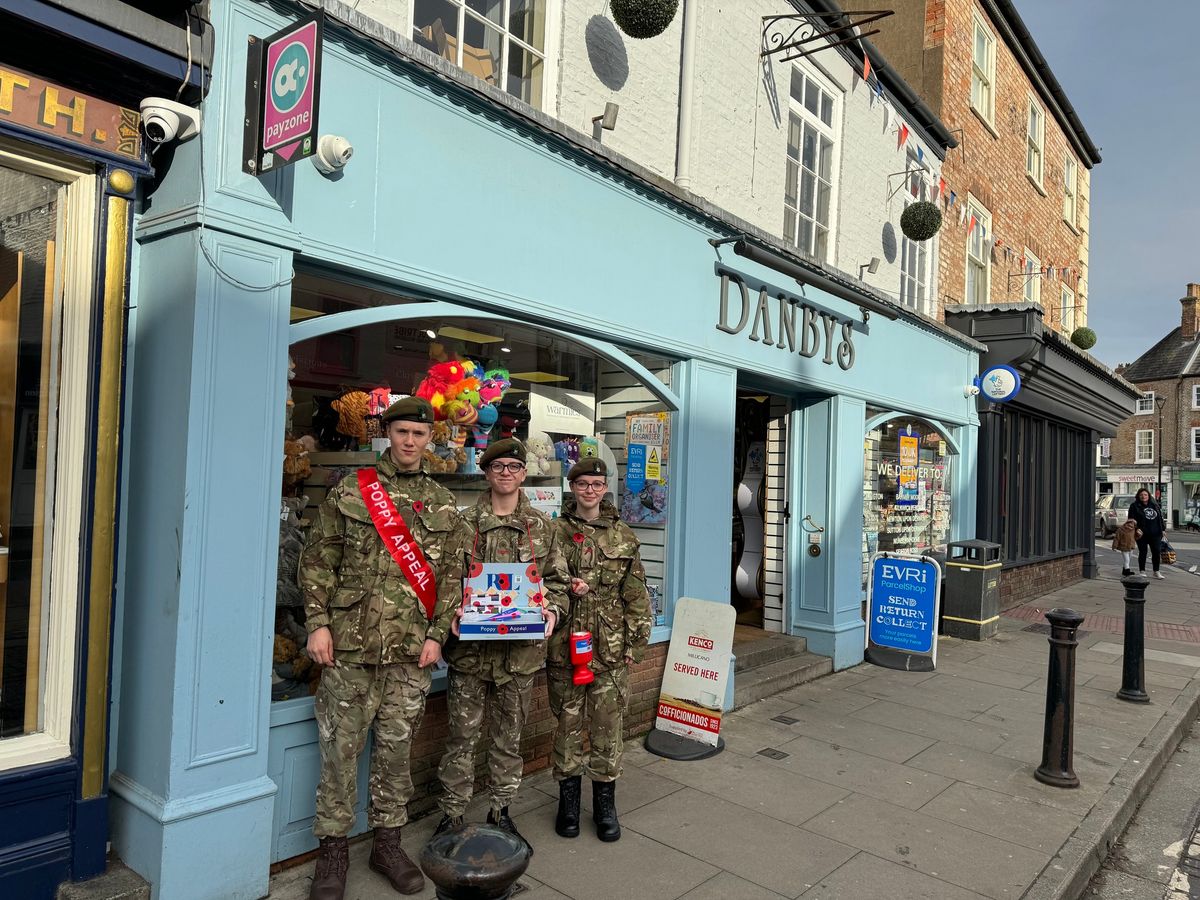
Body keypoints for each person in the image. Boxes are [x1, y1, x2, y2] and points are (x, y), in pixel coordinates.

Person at [299, 397, 463, 900]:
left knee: (395, 754)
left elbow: (452, 577)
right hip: (348, 648)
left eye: (418, 433)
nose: (409, 441)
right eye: (401, 432)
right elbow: (318, 559)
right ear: (387, 434)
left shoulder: (442, 501)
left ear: (429, 438)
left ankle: (387, 844)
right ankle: (334, 852)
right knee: (340, 754)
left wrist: (438, 635)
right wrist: (317, 623)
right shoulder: (352, 489)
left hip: (411, 654)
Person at [434, 438, 569, 850]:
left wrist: (551, 612)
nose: (506, 473)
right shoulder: (463, 524)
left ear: (524, 474)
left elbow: (558, 582)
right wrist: (451, 613)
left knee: (509, 738)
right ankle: (452, 813)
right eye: (498, 467)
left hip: (520, 655)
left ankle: (501, 810)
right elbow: (446, 578)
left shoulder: (542, 527)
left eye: (513, 466)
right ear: (486, 473)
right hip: (471, 654)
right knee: (461, 737)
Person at [547, 458, 651, 843]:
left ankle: (605, 806)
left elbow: (636, 595)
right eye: (582, 484)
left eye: (596, 484)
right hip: (564, 646)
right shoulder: (553, 531)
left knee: (608, 728)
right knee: (567, 726)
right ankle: (568, 804)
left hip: (608, 649)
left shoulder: (623, 536)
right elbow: (538, 580)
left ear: (605, 488)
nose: (590, 490)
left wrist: (636, 644)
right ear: (572, 488)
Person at [1128, 488, 1166, 579]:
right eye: (1141, 495)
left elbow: (1160, 518)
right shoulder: (1134, 506)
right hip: (1142, 534)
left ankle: (1156, 571)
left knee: (1156, 552)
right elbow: (1130, 519)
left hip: (1156, 533)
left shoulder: (1154, 505)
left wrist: (1163, 530)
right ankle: (1142, 571)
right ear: (1138, 496)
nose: (1143, 496)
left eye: (1145, 495)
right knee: (1143, 552)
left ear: (1148, 496)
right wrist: (1136, 529)